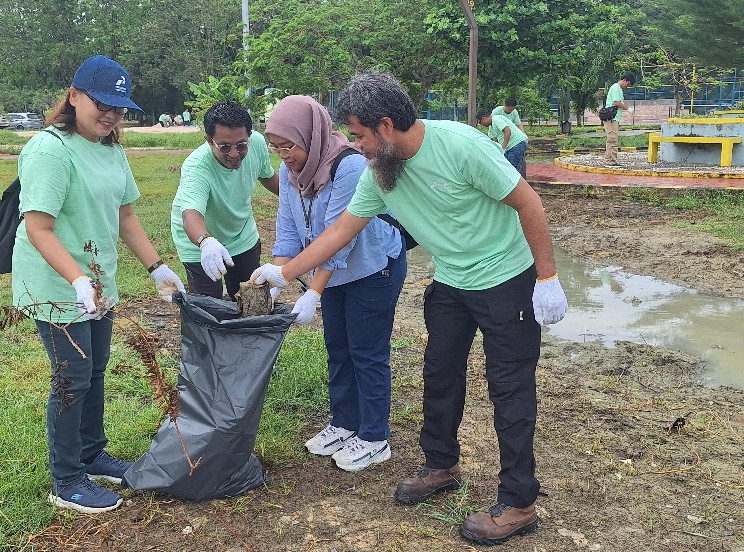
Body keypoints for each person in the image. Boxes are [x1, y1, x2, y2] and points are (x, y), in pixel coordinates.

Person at [251, 71, 567, 546]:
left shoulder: (461, 146)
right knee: (439, 374)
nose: (354, 147)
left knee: (510, 390)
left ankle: (519, 501)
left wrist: (547, 278)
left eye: (358, 135)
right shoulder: (383, 170)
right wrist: (288, 271)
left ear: (385, 125)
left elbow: (529, 203)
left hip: (507, 280)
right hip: (452, 282)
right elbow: (341, 231)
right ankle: (441, 465)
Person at [12, 55, 186, 514]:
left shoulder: (111, 149)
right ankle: (66, 479)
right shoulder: (50, 150)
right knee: (72, 378)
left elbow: (125, 216)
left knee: (95, 370)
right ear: (73, 97)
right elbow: (39, 227)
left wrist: (157, 268)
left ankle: (92, 454)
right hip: (56, 285)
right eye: (100, 103)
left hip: (98, 283)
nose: (110, 115)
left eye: (119, 108)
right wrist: (75, 280)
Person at [264, 95, 406, 471]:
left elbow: (339, 235)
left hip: (374, 267)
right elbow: (288, 227)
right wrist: (278, 277)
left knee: (367, 351)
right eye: (275, 147)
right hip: (333, 272)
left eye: (289, 146)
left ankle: (375, 437)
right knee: (338, 347)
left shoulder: (351, 166)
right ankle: (345, 423)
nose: (283, 155)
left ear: (311, 135)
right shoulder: (289, 172)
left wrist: (312, 289)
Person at [170, 101, 279, 300]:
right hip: (200, 243)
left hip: (242, 235)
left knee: (249, 300)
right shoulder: (197, 167)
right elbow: (190, 216)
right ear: (210, 141)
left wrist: (302, 194)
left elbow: (269, 177)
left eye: (241, 145)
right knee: (207, 309)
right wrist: (206, 242)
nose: (235, 154)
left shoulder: (258, 144)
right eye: (225, 147)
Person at [477, 109, 529, 176]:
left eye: (480, 122)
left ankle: (518, 185)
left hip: (516, 144)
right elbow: (495, 140)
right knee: (515, 167)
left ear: (483, 119)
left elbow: (507, 131)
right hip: (513, 146)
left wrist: (503, 148)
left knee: (512, 168)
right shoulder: (492, 126)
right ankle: (521, 184)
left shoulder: (496, 119)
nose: (481, 125)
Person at [604, 73, 636, 166]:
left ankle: (611, 160)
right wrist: (627, 108)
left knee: (613, 139)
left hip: (614, 118)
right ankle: (610, 161)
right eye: (628, 84)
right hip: (611, 118)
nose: (628, 86)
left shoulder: (618, 89)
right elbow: (616, 102)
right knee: (612, 139)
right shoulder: (616, 88)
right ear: (625, 80)